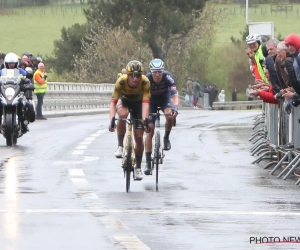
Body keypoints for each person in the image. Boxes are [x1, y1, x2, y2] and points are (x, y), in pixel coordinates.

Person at [109, 60, 150, 181]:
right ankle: (120, 146)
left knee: (138, 136)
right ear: (127, 74)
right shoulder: (121, 81)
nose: (135, 78)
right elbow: (113, 102)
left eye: (138, 75)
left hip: (138, 105)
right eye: (132, 75)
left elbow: (146, 104)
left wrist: (145, 120)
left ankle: (138, 167)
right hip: (125, 101)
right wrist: (112, 119)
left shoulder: (145, 82)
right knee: (122, 114)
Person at [143, 58, 178, 175]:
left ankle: (166, 137)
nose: (157, 75)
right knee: (149, 130)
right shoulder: (146, 79)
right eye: (155, 72)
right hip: (151, 101)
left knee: (169, 116)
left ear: (163, 71)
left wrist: (175, 108)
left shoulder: (168, 77)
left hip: (165, 99)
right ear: (151, 72)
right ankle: (148, 163)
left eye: (160, 72)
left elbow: (174, 95)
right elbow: (143, 98)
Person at [0, 52, 34, 132]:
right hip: (5, 91)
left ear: (16, 63)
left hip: (16, 91)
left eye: (13, 64)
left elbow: (27, 77)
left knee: (24, 104)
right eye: (9, 64)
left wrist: (27, 81)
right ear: (6, 63)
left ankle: (24, 123)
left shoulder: (20, 71)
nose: (11, 65)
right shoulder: (2, 71)